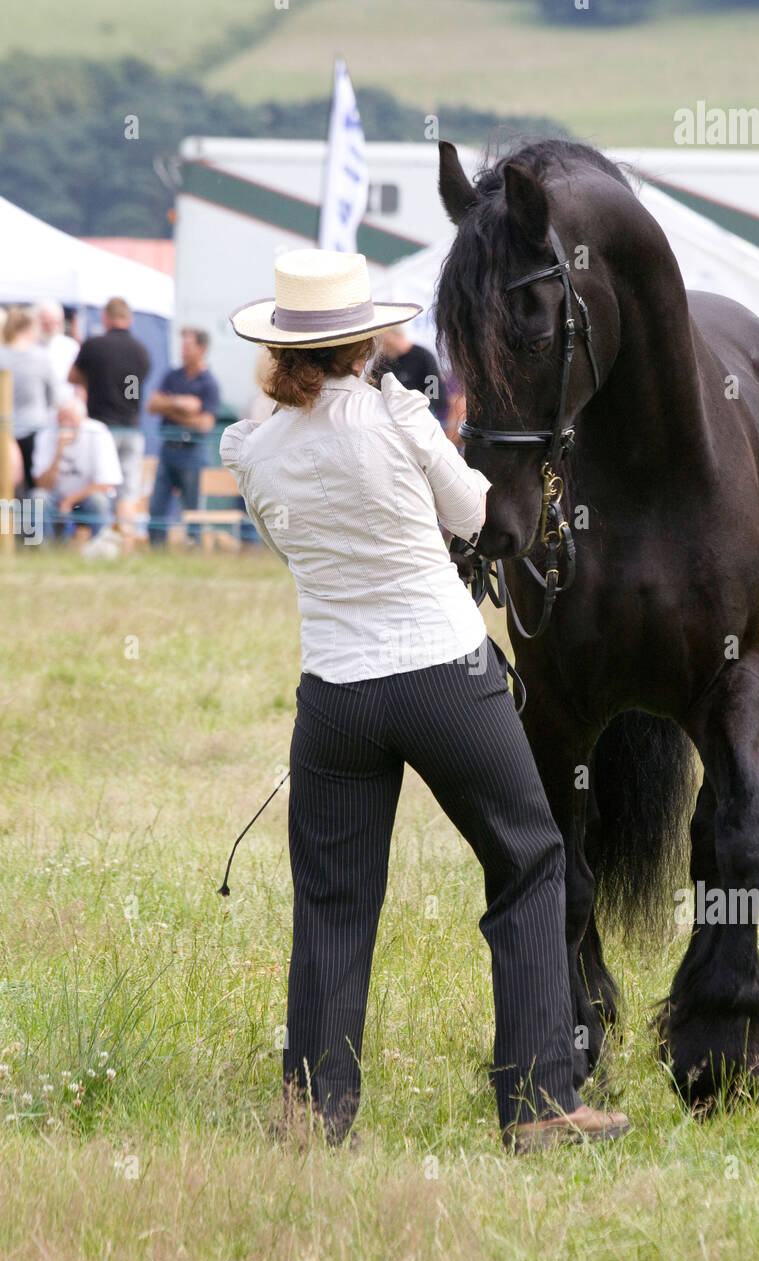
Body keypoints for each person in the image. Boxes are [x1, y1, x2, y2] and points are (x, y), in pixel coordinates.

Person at [220, 247, 630, 1153]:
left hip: (335, 694)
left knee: (331, 900)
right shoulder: (400, 415)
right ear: (361, 340)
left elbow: (298, 552)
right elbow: (482, 516)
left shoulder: (251, 450)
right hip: (444, 676)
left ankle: (314, 1116)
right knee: (527, 861)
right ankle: (537, 1106)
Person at [69, 297, 151, 542]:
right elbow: (134, 390)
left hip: (100, 429)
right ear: (129, 319)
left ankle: (99, 541)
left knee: (100, 487)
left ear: (105, 317)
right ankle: (123, 543)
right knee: (128, 491)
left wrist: (95, 382)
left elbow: (72, 377)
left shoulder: (93, 346)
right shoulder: (141, 351)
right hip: (131, 428)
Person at [147, 328, 220, 546]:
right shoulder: (172, 375)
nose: (183, 351)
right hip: (168, 450)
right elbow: (152, 404)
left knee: (193, 510)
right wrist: (182, 405)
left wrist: (168, 407)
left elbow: (205, 424)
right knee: (157, 506)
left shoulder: (209, 384)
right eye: (182, 346)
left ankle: (193, 548)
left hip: (192, 453)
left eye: (188, 347)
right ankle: (156, 549)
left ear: (202, 349)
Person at [31, 397, 122, 538]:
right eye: (61, 418)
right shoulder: (46, 434)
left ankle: (102, 551)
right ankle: (43, 551)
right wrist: (59, 452)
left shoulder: (98, 432)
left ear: (83, 418)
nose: (65, 424)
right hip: (55, 498)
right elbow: (41, 485)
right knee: (37, 497)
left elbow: (106, 483)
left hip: (87, 498)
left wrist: (70, 500)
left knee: (99, 501)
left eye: (70, 418)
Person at [0, 307, 56, 495]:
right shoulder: (42, 357)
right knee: (35, 488)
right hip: (35, 429)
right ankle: (33, 525)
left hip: (5, 430)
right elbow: (52, 397)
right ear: (28, 329)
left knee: (7, 488)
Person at [369, 325, 449, 424]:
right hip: (389, 420)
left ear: (398, 336)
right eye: (384, 345)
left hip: (420, 418)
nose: (385, 348)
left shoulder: (423, 357)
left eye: (388, 344)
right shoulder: (382, 361)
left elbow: (435, 394)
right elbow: (373, 389)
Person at [38, 300, 79, 403]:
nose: (50, 326)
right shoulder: (30, 346)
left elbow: (78, 382)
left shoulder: (71, 346)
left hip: (65, 405)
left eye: (54, 321)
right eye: (46, 322)